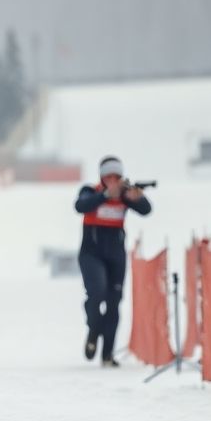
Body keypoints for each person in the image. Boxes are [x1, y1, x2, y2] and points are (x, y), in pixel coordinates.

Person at [74, 156, 152, 367]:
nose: (113, 181)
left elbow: (146, 210)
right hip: (91, 255)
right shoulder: (91, 191)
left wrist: (136, 198)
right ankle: (94, 329)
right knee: (96, 293)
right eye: (109, 177)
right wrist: (106, 195)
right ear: (102, 177)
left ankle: (107, 353)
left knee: (114, 302)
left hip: (115, 256)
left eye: (116, 177)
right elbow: (80, 206)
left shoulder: (124, 197)